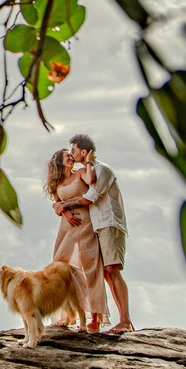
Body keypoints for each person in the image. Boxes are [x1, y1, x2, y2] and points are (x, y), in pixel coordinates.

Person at [54, 133, 133, 334]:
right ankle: (118, 320)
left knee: (112, 270)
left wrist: (64, 205)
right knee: (107, 273)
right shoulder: (88, 171)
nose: (71, 154)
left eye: (73, 150)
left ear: (84, 151)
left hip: (109, 224)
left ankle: (125, 320)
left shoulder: (102, 170)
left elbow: (90, 198)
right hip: (98, 226)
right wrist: (60, 205)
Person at [44, 148, 110, 332]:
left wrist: (88, 161)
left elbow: (91, 181)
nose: (71, 158)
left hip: (84, 221)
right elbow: (57, 202)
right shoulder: (56, 183)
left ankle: (94, 317)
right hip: (66, 226)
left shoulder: (80, 173)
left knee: (89, 265)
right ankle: (68, 313)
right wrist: (61, 210)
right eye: (68, 156)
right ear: (59, 161)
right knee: (59, 264)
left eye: (72, 156)